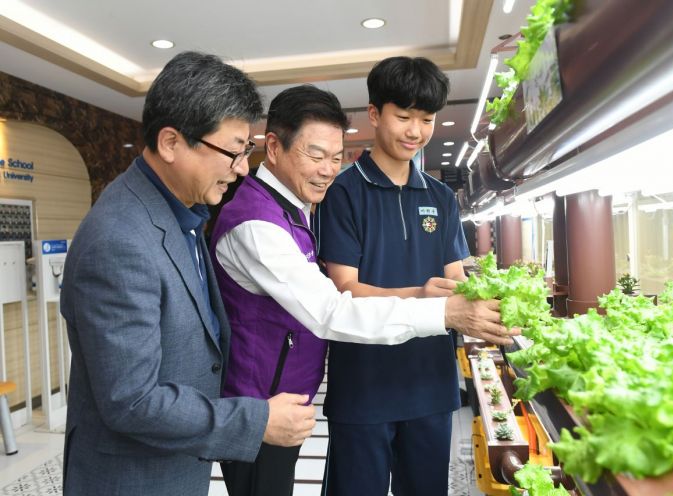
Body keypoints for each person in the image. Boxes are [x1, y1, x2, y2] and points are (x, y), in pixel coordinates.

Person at [209, 85, 517, 495]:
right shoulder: (257, 223)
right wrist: (443, 312)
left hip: (286, 400)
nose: (327, 169)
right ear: (274, 147)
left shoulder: (292, 209)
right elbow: (333, 310)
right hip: (261, 405)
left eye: (336, 158)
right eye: (315, 155)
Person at [60, 52, 316, 496]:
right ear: (171, 142)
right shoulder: (119, 240)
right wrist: (257, 420)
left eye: (245, 151)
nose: (241, 169)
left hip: (174, 464)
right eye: (232, 151)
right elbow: (132, 400)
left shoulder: (182, 212)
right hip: (132, 479)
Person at [315, 56, 501, 495]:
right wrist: (422, 296)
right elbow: (344, 290)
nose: (415, 131)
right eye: (403, 116)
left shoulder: (441, 196)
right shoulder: (342, 193)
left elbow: (457, 277)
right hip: (364, 385)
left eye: (426, 119)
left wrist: (491, 302)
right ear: (375, 114)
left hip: (430, 384)